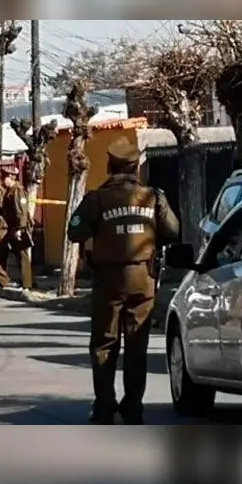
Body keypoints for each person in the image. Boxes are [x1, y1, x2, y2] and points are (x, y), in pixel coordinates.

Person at [66, 137, 180, 424]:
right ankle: (133, 406)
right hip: (144, 281)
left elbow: (75, 231)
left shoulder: (97, 199)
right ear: (135, 168)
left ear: (109, 165)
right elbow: (172, 230)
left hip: (108, 282)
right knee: (137, 345)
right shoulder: (153, 197)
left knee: (105, 344)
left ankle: (105, 406)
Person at [0, 166, 34, 290]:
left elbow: (21, 211)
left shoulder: (18, 191)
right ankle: (24, 280)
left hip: (19, 227)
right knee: (17, 254)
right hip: (12, 227)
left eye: (4, 178)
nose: (2, 181)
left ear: (11, 177)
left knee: (22, 255)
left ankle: (27, 284)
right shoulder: (10, 191)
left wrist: (20, 229)